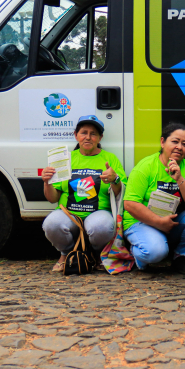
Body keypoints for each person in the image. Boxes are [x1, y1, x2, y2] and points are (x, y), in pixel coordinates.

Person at [41, 115, 124, 272]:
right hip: (68, 213)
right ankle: (67, 253)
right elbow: (52, 198)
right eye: (83, 132)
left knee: (103, 227)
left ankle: (98, 254)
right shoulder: (66, 159)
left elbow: (120, 193)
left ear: (100, 137)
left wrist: (115, 179)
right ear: (75, 135)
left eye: (93, 133)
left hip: (98, 212)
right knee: (51, 224)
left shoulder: (110, 158)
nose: (88, 137)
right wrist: (47, 182)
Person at [123, 123, 185, 274]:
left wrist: (180, 179)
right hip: (141, 222)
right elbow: (130, 204)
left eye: (184, 144)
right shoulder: (145, 166)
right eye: (175, 141)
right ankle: (137, 254)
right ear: (162, 142)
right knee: (156, 252)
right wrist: (158, 222)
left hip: (169, 222)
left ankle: (180, 256)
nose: (179, 147)